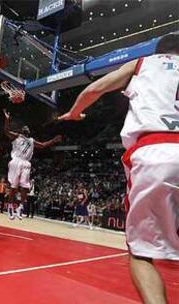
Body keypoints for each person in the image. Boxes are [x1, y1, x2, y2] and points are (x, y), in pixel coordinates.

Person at [59, 33, 179, 304]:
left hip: (156, 154)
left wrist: (75, 112)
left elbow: (94, 89)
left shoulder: (142, 63)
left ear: (159, 51)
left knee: (141, 254)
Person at [4, 109, 62, 220]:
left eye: (28, 128)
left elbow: (44, 145)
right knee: (13, 186)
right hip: (16, 160)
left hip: (26, 163)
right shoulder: (17, 136)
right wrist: (6, 120)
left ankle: (20, 207)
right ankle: (11, 206)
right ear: (22, 130)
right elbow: (6, 131)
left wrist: (54, 140)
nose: (26, 128)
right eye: (24, 127)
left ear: (29, 131)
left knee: (25, 186)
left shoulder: (31, 140)